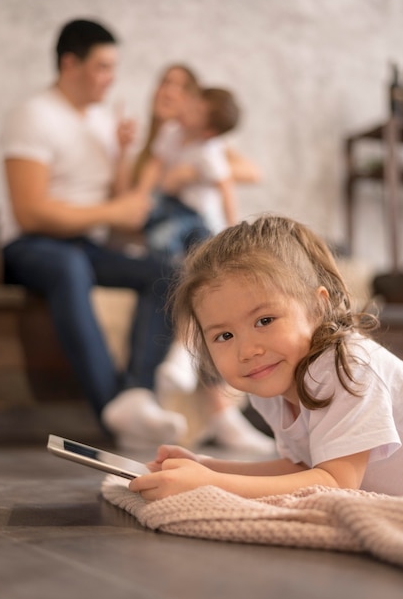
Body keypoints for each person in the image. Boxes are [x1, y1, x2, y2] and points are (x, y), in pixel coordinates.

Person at [0, 18, 188, 449]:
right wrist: (112, 210)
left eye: (113, 67)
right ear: (71, 64)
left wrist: (121, 154)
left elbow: (121, 209)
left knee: (166, 270)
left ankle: (138, 395)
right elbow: (29, 212)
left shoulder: (104, 119)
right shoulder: (32, 116)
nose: (111, 77)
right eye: (102, 66)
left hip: (87, 243)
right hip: (31, 246)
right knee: (69, 265)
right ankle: (112, 412)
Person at [128, 214, 403, 500]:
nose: (247, 351)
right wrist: (206, 467)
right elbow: (302, 468)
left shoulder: (347, 368)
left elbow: (335, 483)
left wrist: (209, 483)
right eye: (224, 336)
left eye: (265, 320)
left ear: (318, 307)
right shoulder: (272, 378)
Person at [117, 64, 275, 454]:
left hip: (196, 231)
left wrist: (192, 172)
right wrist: (129, 161)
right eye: (165, 83)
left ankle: (195, 376)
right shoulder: (154, 146)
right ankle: (218, 411)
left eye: (182, 88)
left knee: (205, 276)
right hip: (163, 234)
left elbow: (247, 171)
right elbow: (131, 203)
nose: (172, 94)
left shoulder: (204, 143)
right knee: (185, 276)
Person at [138, 85, 240, 261]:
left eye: (196, 111)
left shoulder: (207, 152)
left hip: (195, 214)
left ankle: (174, 272)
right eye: (192, 102)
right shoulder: (171, 130)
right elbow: (155, 163)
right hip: (169, 203)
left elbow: (226, 187)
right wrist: (141, 194)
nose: (186, 108)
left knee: (168, 242)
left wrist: (232, 229)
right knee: (152, 221)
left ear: (208, 132)